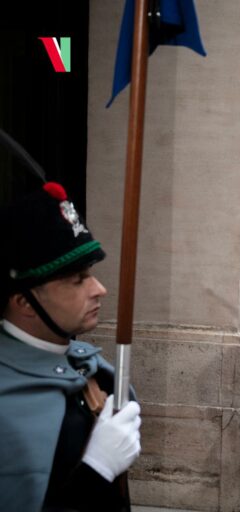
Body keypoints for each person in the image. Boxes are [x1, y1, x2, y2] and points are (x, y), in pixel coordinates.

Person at [0, 182, 142, 511]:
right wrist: (96, 472)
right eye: (77, 279)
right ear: (24, 301)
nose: (100, 289)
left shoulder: (97, 375)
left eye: (89, 273)